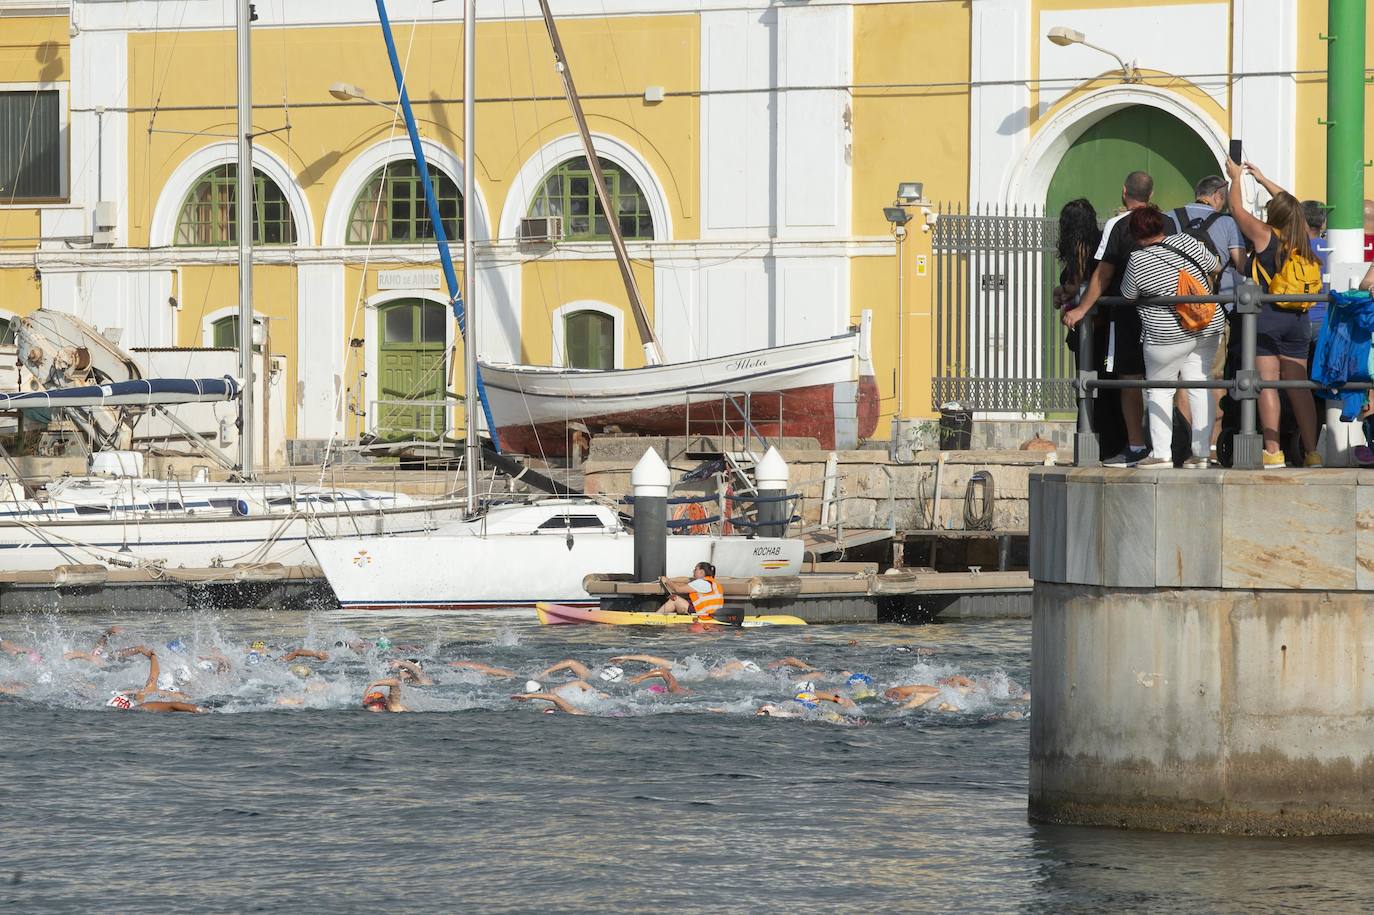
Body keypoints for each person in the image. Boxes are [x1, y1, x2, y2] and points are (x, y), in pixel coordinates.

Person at [1226, 159, 1321, 466]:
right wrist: (1265, 179)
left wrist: (1236, 178)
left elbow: (1236, 210)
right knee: (1298, 386)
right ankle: (1313, 453)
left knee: (1267, 382)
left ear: (1272, 215)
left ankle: (1273, 451)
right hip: (1298, 320)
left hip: (1268, 318)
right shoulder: (1302, 236)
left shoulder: (1265, 234)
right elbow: (1290, 202)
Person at [1062, 171, 1159, 465]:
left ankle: (1121, 443)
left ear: (1124, 190)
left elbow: (1100, 276)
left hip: (1111, 321)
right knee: (1158, 381)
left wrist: (1076, 306)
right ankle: (1165, 447)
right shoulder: (1166, 223)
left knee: (1113, 382)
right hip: (1155, 316)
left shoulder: (1113, 229)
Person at [1119, 205, 1224, 467]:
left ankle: (1162, 453)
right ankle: (1201, 453)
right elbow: (1215, 264)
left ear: (1135, 234)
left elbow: (1128, 295)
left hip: (1166, 336)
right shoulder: (1186, 241)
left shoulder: (1137, 260)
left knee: (1160, 390)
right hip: (1207, 325)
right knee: (1200, 384)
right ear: (1161, 225)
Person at [1171, 176, 1249, 458]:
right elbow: (1242, 264)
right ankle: (1209, 447)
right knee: (1212, 377)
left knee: (1182, 378)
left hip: (1174, 311)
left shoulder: (1171, 218)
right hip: (1212, 312)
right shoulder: (1227, 223)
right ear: (1218, 195)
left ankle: (1182, 444)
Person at [657, 562, 724, 620]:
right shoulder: (713, 582)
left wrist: (667, 581)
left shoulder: (701, 583)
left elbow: (678, 589)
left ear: (701, 572)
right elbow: (685, 579)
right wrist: (669, 579)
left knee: (674, 599)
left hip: (703, 615)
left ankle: (655, 616)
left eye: (695, 569)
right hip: (713, 615)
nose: (693, 571)